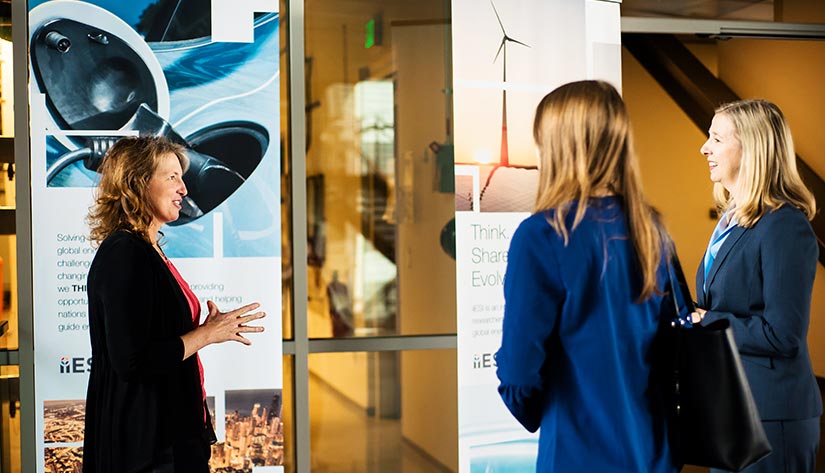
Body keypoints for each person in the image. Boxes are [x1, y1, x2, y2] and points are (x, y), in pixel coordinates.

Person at [495, 80, 679, 473]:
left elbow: (519, 374)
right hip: (651, 454)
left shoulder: (543, 235)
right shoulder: (652, 232)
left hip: (578, 456)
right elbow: (668, 354)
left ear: (559, 147)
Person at [82, 136, 266, 473]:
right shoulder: (125, 253)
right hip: (150, 449)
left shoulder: (146, 250)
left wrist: (203, 329)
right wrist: (208, 334)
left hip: (167, 434)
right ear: (136, 183)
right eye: (172, 177)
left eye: (181, 177)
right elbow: (133, 362)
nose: (184, 188)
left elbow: (152, 335)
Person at [692, 99, 820, 473]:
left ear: (750, 149)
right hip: (734, 410)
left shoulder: (784, 226)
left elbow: (783, 335)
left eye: (716, 138)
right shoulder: (733, 221)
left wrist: (708, 320)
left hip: (771, 418)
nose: (704, 147)